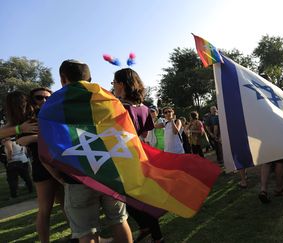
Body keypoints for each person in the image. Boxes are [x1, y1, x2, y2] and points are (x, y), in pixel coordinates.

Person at [58, 60, 133, 243]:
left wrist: (61, 178)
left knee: (86, 232)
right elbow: (126, 136)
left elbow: (48, 147)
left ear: (62, 79)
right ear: (90, 78)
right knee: (119, 221)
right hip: (111, 172)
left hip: (77, 176)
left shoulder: (55, 106)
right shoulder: (108, 101)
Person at [112, 68, 164, 243]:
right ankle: (154, 233)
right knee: (142, 197)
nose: (113, 87)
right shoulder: (144, 108)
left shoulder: (120, 108)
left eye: (114, 83)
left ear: (120, 85)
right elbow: (144, 134)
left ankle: (149, 229)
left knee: (124, 197)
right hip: (140, 155)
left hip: (125, 159)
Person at [4, 89, 63, 243]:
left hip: (43, 166)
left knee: (53, 209)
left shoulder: (22, 122)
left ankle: (77, 236)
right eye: (37, 98)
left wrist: (23, 133)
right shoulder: (31, 119)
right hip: (50, 165)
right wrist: (21, 131)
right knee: (53, 209)